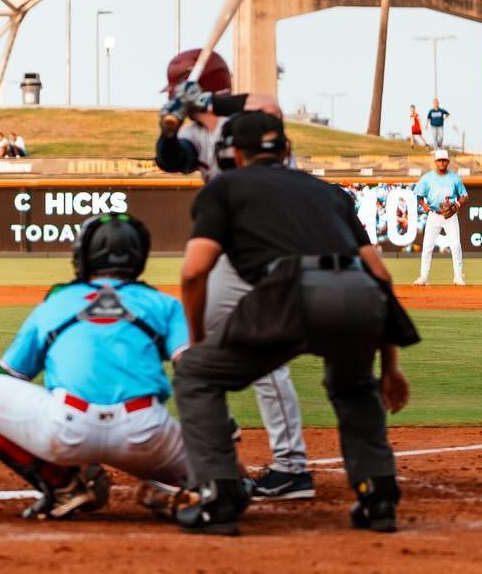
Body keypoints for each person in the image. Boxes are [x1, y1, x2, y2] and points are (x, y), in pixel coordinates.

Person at [173, 111, 414, 536]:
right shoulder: (330, 193)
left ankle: (220, 494)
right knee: (355, 385)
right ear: (286, 150)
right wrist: (390, 368)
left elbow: (194, 272)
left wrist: (197, 343)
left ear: (233, 154)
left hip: (288, 291)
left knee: (195, 374)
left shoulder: (224, 187)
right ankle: (378, 496)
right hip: (359, 294)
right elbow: (380, 275)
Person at [0, 214, 190, 521]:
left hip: (66, 429)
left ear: (82, 256)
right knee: (229, 481)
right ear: (140, 257)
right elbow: (194, 369)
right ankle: (182, 493)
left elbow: (12, 377)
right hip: (148, 434)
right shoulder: (165, 304)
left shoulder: (54, 302)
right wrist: (219, 435)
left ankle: (63, 486)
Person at [153, 48, 314, 501]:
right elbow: (172, 159)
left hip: (273, 243)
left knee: (263, 355)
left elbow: (270, 106)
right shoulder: (195, 135)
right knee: (198, 342)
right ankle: (217, 428)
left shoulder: (248, 121)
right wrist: (166, 131)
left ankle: (292, 468)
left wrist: (209, 104)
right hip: (232, 250)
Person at [412, 149, 468, 286]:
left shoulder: (454, 178)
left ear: (448, 162)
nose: (442, 162)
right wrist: (424, 206)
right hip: (434, 214)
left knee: (455, 245)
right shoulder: (427, 178)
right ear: (436, 162)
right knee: (427, 246)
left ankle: (458, 277)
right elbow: (418, 195)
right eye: (439, 160)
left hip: (450, 216)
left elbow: (464, 195)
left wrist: (457, 205)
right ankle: (423, 277)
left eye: (444, 160)